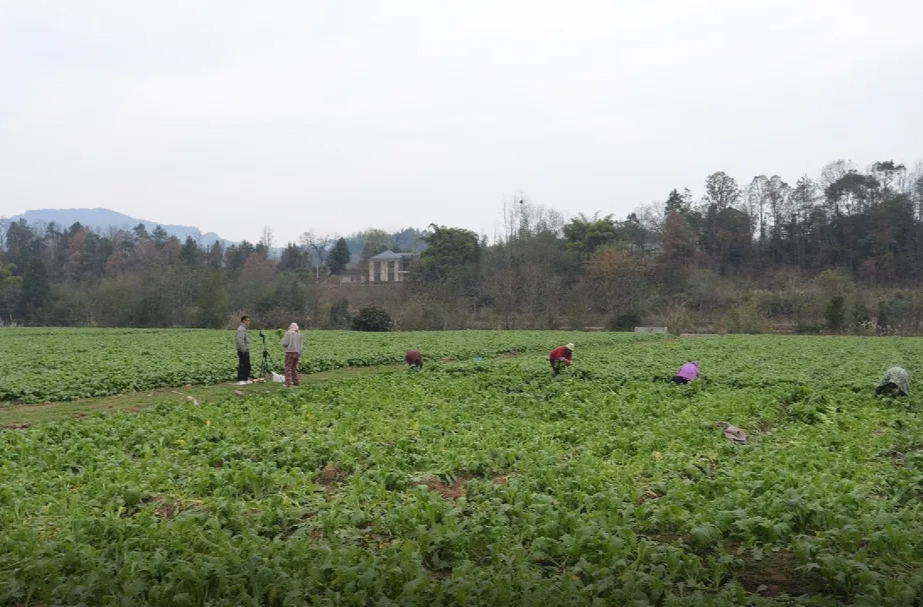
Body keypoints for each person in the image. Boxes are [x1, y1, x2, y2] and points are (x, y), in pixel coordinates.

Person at [280, 323, 303, 387]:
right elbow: (301, 345)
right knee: (294, 368)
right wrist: (300, 353)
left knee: (288, 368)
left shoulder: (288, 333)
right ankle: (296, 381)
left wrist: (281, 340)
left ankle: (288, 383)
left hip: (290, 352)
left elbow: (285, 343)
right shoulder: (299, 334)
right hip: (297, 353)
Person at [236, 315, 252, 385]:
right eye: (247, 320)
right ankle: (240, 379)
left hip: (246, 350)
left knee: (247, 365)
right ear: (243, 321)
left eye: (249, 320)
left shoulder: (245, 329)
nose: (249, 322)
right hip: (242, 350)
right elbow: (240, 341)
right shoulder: (241, 329)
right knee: (242, 365)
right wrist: (243, 349)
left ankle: (245, 378)